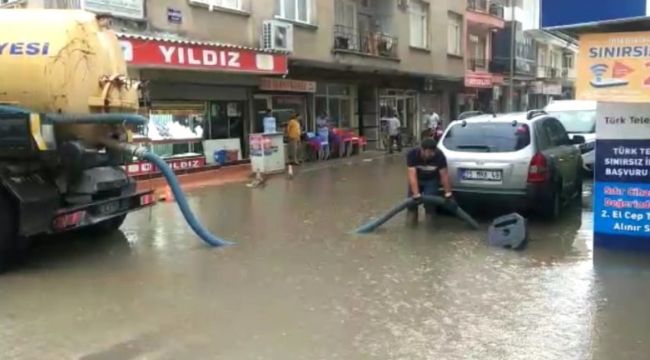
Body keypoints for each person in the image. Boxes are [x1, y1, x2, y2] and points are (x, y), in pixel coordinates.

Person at [406, 138, 455, 225]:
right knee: (411, 205)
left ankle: (430, 230)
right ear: (422, 150)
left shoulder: (439, 155)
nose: (432, 154)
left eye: (433, 151)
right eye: (429, 152)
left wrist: (448, 194)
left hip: (431, 180)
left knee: (430, 205)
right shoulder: (412, 154)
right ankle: (411, 228)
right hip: (417, 179)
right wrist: (416, 194)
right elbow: (412, 175)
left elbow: (444, 175)